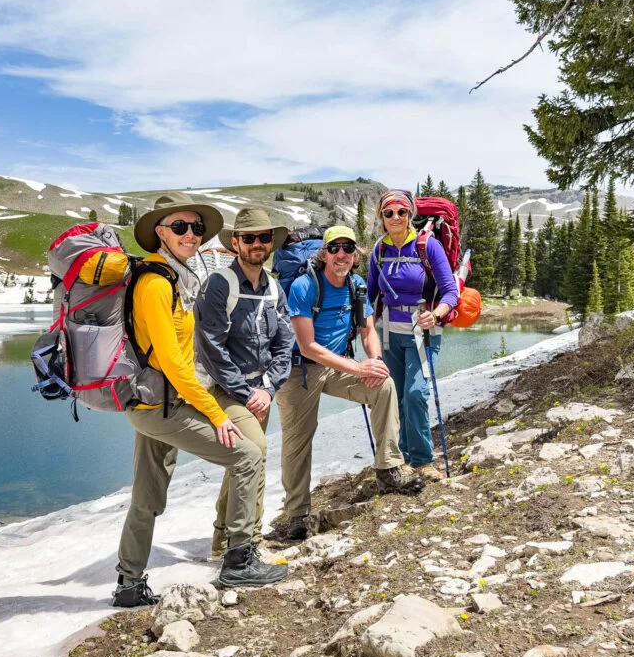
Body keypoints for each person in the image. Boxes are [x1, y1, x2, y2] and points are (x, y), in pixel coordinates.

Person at [113, 193, 287, 608]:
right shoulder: (155, 284)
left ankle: (128, 583)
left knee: (146, 494)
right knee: (246, 456)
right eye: (180, 227)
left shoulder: (173, 278)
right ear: (160, 232)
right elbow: (175, 364)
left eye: (196, 228)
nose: (190, 235)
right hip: (164, 405)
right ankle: (239, 560)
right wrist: (214, 411)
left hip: (154, 403)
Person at [276, 225, 425, 541]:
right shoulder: (304, 286)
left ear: (355, 254)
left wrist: (376, 363)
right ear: (324, 253)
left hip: (340, 366)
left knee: (384, 387)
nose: (341, 254)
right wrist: (360, 369)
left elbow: (368, 331)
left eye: (347, 248)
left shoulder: (356, 286)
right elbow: (307, 346)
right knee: (297, 440)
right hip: (300, 370)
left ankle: (388, 470)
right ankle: (298, 515)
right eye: (334, 248)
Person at [194, 207, 294, 559]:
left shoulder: (274, 288)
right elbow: (211, 349)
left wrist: (267, 389)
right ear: (235, 242)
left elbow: (285, 343)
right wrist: (246, 391)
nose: (257, 244)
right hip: (224, 390)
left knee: (242, 464)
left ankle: (222, 543)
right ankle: (249, 541)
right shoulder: (220, 284)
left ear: (271, 243)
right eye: (249, 238)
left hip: (260, 393)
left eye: (264, 238)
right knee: (256, 453)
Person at [367, 189, 459, 478]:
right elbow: (369, 295)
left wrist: (438, 314)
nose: (395, 217)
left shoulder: (427, 246)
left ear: (410, 215)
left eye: (401, 212)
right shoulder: (378, 251)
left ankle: (422, 460)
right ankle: (401, 457)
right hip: (389, 335)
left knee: (415, 393)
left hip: (423, 332)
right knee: (395, 396)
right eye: (389, 213)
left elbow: (450, 292)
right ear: (381, 217)